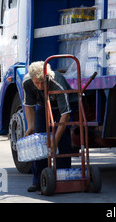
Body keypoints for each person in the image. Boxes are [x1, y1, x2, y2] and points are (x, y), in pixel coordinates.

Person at [22, 61, 78, 192]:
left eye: (43, 82)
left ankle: (62, 178)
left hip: (63, 109)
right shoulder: (27, 82)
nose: (41, 85)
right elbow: (29, 106)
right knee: (40, 140)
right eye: (37, 83)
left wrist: (55, 140)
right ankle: (39, 180)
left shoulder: (56, 81)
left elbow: (66, 115)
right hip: (43, 106)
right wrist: (30, 126)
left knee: (62, 138)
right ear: (32, 79)